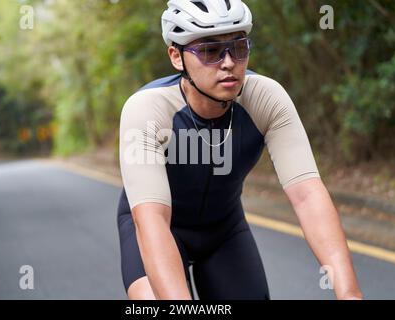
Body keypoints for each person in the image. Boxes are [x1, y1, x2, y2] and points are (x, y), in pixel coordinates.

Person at [117, 0, 362, 300]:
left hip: (224, 231)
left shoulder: (266, 98)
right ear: (176, 56)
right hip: (155, 227)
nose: (229, 62)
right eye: (210, 51)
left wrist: (349, 294)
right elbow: (152, 219)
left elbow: (308, 195)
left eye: (239, 47)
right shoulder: (147, 110)